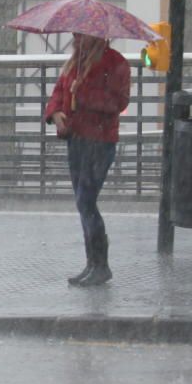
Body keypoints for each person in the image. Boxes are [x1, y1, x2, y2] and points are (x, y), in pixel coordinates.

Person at [44, 32, 130, 287]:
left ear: (94, 35)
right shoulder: (75, 62)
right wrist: (56, 113)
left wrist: (82, 94)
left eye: (80, 34)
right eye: (75, 34)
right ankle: (93, 263)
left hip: (100, 141)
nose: (75, 38)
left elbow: (118, 101)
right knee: (83, 203)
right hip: (77, 138)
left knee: (86, 200)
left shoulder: (115, 63)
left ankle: (100, 264)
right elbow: (59, 92)